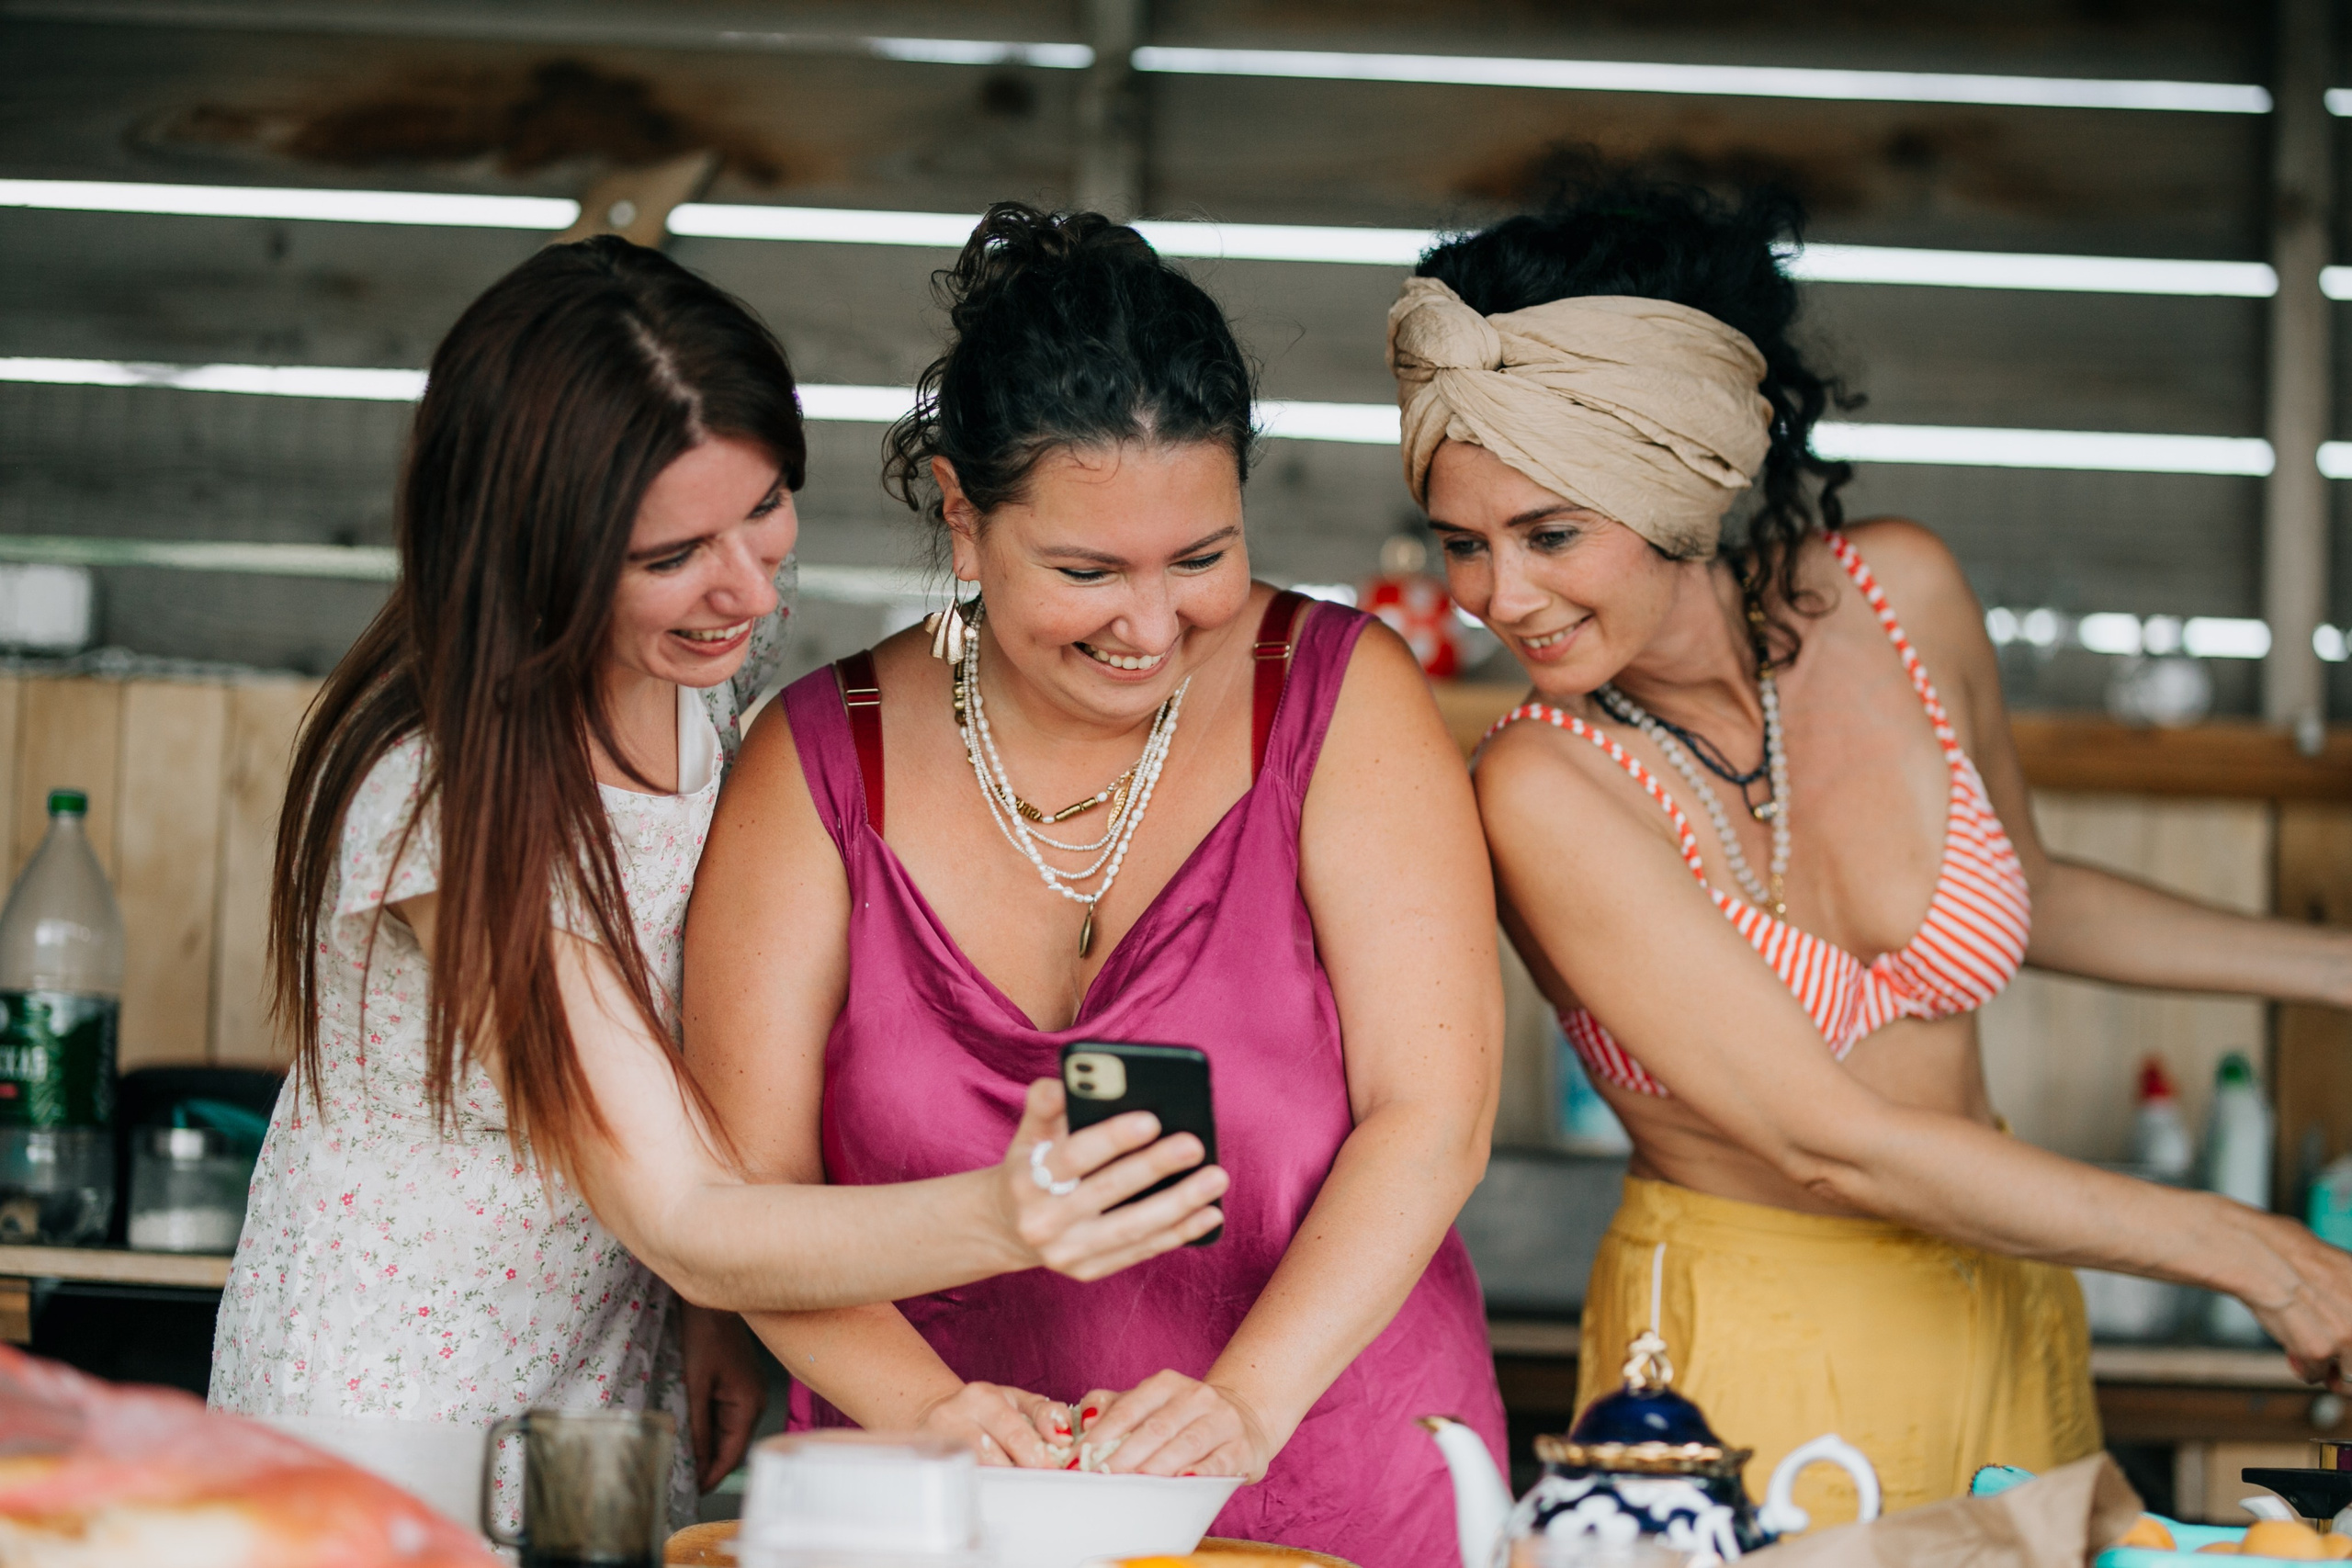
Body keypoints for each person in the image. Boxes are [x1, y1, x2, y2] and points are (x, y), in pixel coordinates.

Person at [209, 236, 1228, 1530]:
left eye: (765, 508)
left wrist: (709, 1312)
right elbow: (685, 1203)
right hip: (385, 1412)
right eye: (671, 554)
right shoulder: (439, 798)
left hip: (596, 1385)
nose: (748, 587)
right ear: (529, 550)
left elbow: (694, 1091)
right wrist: (1012, 1213)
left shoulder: (699, 706)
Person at [1393, 174, 2352, 1524]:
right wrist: (2263, 1255)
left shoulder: (1898, 593)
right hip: (1743, 1364)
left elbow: (2036, 891)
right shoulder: (1542, 786)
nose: (1500, 595)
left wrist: (2335, 966)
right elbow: (1830, 1138)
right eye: (1463, 546)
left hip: (2011, 1315)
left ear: (1689, 478)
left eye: (1550, 534)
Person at [684, 204, 1505, 1568]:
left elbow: (1432, 1115)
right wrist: (935, 1414)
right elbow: (746, 1193)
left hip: (1336, 1505)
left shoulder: (1341, 696)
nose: (1148, 625)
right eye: (1085, 571)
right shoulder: (816, 765)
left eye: (1201, 560)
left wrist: (1246, 1402)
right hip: (935, 1520)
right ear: (962, 515)